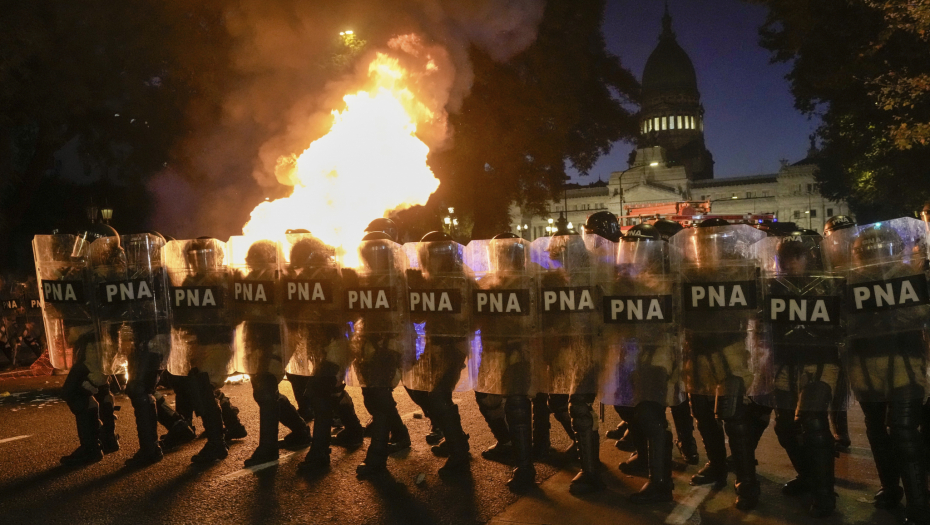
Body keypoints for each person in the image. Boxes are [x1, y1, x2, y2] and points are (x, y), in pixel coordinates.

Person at [826, 218, 930, 523]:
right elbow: (840, 323)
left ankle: (918, 501)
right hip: (868, 366)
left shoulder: (910, 277)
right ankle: (893, 489)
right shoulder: (849, 282)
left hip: (903, 364)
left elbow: (921, 315)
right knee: (879, 430)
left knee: (902, 430)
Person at [670, 218, 767, 510]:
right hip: (696, 351)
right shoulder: (686, 272)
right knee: (702, 414)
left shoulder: (742, 269)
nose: (702, 248)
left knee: (733, 416)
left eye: (707, 242)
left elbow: (758, 310)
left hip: (729, 350)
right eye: (698, 242)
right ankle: (716, 464)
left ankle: (747, 482)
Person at [760, 231, 843, 517]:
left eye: (797, 256)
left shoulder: (832, 285)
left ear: (812, 257)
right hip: (785, 363)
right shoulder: (772, 287)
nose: (790, 262)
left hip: (820, 362)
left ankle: (824, 494)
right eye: (785, 257)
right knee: (785, 427)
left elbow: (846, 324)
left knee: (813, 421)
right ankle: (809, 476)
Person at [602, 223, 685, 503]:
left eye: (640, 248)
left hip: (658, 355)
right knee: (627, 408)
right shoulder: (623, 277)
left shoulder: (669, 278)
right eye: (631, 248)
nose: (635, 253)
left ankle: (661, 483)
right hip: (629, 354)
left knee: (650, 415)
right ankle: (644, 458)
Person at [35, 224, 122, 466]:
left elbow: (100, 314)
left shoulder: (99, 277)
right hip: (96, 343)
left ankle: (91, 448)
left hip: (96, 344)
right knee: (101, 389)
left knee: (75, 392)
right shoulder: (105, 273)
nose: (80, 249)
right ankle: (108, 437)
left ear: (101, 249)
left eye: (86, 244)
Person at [534, 227, 606, 494]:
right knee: (557, 402)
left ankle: (591, 471)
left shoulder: (593, 278)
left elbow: (597, 319)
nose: (555, 259)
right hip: (565, 350)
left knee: (579, 406)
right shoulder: (558, 279)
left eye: (558, 254)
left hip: (587, 349)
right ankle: (581, 445)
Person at [228, 238, 311, 467]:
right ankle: (300, 430)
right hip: (257, 339)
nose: (256, 263)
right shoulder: (250, 279)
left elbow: (293, 312)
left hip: (279, 339)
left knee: (265, 390)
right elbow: (239, 312)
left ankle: (268, 447)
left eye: (260, 258)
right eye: (253, 259)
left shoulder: (283, 279)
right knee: (263, 392)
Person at [468, 232, 538, 490]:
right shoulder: (487, 281)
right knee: (485, 397)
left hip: (518, 350)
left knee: (517, 405)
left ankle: (525, 467)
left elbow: (535, 321)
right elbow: (474, 320)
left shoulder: (532, 281)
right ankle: (507, 442)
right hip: (493, 351)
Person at [403, 231, 473, 474]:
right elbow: (419, 316)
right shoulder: (433, 278)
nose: (430, 260)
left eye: (434, 254)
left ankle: (458, 452)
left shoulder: (459, 278)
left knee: (438, 396)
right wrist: (416, 289)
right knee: (415, 385)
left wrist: (430, 290)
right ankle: (454, 436)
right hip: (435, 344)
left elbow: (463, 316)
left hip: (453, 346)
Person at [164, 237, 238, 463]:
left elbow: (236, 312)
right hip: (198, 343)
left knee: (204, 390)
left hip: (218, 343)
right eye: (194, 257)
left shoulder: (225, 278)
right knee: (201, 390)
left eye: (203, 256)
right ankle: (229, 426)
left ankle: (217, 442)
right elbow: (182, 315)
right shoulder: (190, 281)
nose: (198, 261)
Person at [349, 230, 412, 477]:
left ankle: (376, 457)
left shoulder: (397, 279)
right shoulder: (365, 278)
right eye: (368, 255)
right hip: (368, 342)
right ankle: (401, 434)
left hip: (389, 344)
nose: (371, 259)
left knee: (379, 396)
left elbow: (403, 315)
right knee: (372, 396)